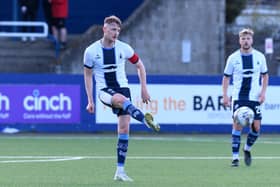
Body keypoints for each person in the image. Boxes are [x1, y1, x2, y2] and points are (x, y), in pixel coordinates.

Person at [83, 15, 160, 182]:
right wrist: (90, 100)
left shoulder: (124, 48)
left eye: (118, 30)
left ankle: (120, 171)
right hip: (104, 90)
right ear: (104, 29)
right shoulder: (91, 51)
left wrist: (144, 88)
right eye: (112, 29)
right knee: (120, 99)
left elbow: (140, 65)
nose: (116, 33)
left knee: (124, 130)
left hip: (123, 88)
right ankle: (144, 119)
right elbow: (88, 75)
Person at [222, 28, 269, 167]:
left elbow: (265, 75)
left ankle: (247, 149)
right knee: (237, 126)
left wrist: (263, 92)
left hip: (254, 98)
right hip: (238, 97)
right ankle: (235, 158)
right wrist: (225, 96)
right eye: (243, 39)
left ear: (252, 40)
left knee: (256, 128)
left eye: (248, 38)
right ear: (239, 41)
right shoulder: (233, 58)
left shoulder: (260, 57)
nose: (246, 41)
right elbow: (226, 78)